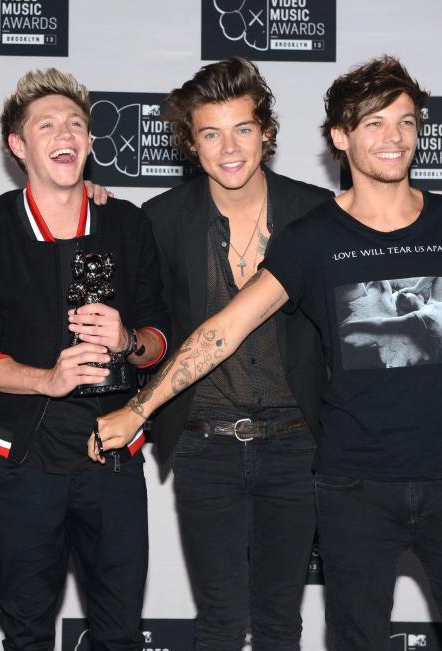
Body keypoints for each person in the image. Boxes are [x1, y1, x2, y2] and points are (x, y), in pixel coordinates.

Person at [95, 56, 442, 650]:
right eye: (373, 124)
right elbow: (222, 330)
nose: (392, 137)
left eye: (404, 121)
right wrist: (139, 409)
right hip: (348, 483)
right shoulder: (311, 237)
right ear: (341, 138)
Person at [0, 68, 169, 650]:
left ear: (91, 141)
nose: (64, 133)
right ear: (18, 146)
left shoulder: (127, 222)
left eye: (76, 123)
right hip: (26, 461)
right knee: (25, 630)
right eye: (45, 125)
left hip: (114, 454)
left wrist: (127, 340)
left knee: (120, 631)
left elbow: (161, 341)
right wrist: (47, 379)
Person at [142, 57, 330, 650]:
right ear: (190, 144)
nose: (230, 148)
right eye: (211, 133)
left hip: (298, 444)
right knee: (220, 623)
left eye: (242, 129)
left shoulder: (317, 213)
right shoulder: (161, 220)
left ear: (266, 132)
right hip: (205, 446)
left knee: (279, 623)